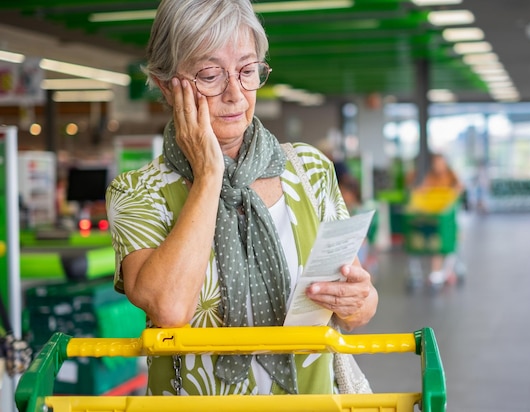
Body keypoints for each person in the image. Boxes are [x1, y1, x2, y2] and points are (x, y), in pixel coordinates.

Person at [105, 0, 378, 397]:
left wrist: (359, 299)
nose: (235, 94)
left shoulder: (310, 170)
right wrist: (209, 174)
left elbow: (356, 309)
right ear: (166, 84)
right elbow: (169, 309)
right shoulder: (137, 192)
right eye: (210, 75)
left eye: (248, 71)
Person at [411, 153, 464, 285]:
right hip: (435, 217)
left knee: (451, 243)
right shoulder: (430, 177)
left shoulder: (452, 176)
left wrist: (453, 193)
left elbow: (459, 188)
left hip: (448, 217)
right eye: (436, 163)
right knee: (437, 246)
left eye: (440, 163)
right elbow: (422, 190)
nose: (438, 166)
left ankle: (446, 271)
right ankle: (438, 272)